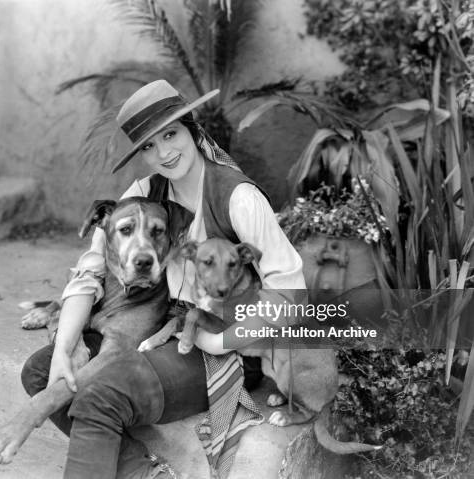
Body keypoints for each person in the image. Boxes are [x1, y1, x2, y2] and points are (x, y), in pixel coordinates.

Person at [22, 79, 306, 478]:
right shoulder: (144, 191)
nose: (164, 153)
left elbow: (291, 299)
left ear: (193, 129)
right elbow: (91, 270)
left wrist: (216, 339)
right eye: (149, 146)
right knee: (40, 371)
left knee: (103, 393)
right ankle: (141, 469)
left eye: (171, 135)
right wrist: (64, 347)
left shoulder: (237, 198)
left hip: (223, 343)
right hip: (155, 327)